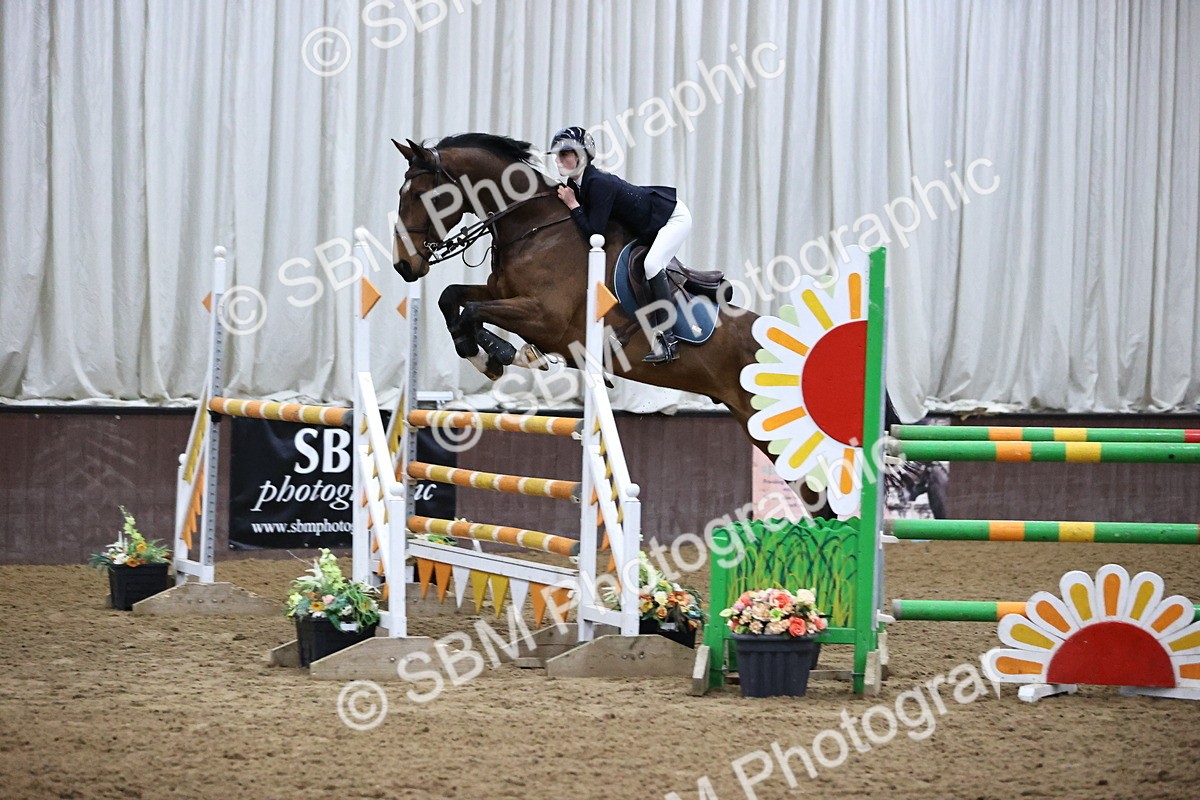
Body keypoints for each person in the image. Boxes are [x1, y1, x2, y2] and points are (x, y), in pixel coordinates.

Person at [549, 126, 692, 364]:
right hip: (648, 222)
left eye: (565, 154)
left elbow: (596, 233)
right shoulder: (576, 185)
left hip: (672, 217)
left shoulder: (597, 182)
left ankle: (669, 340)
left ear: (582, 156)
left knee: (652, 265)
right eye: (557, 155)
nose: (558, 160)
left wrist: (573, 206)